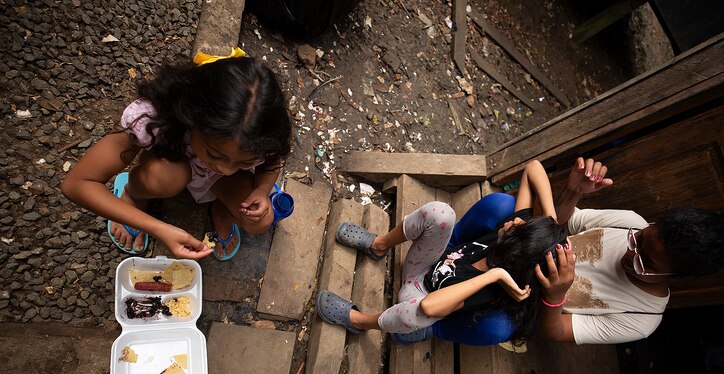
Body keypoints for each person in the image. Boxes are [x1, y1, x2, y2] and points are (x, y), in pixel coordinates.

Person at [428, 157, 724, 345]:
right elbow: (558, 222)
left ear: (676, 277)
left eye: (645, 262)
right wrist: (572, 193)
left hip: (524, 299)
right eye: (639, 241)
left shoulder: (643, 319)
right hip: (516, 252)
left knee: (496, 329)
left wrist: (555, 296)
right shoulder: (628, 222)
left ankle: (434, 327)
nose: (631, 254)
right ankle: (448, 242)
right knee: (501, 204)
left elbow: (554, 333)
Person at [61, 48, 292, 260]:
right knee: (166, 177)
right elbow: (77, 183)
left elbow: (271, 164)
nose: (226, 168)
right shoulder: (152, 117)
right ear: (190, 117)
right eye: (215, 154)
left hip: (221, 185)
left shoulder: (264, 133)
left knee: (261, 222)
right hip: (172, 167)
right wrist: (158, 228)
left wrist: (261, 191)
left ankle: (222, 206)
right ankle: (134, 195)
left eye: (245, 161)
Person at [315, 161, 567, 342]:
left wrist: (494, 275)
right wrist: (551, 228)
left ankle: (359, 321)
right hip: (426, 263)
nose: (513, 221)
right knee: (441, 213)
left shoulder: (489, 289)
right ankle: (378, 246)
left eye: (517, 229)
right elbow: (533, 167)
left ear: (513, 254)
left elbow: (430, 307)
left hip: (417, 295)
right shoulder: (511, 234)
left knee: (419, 314)